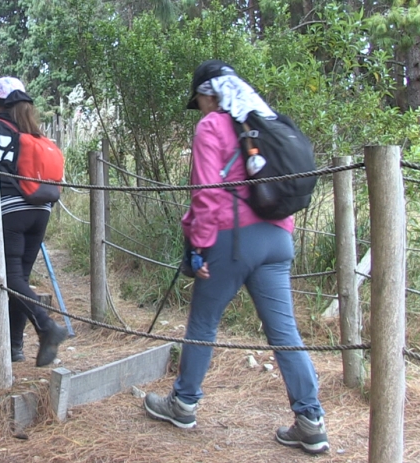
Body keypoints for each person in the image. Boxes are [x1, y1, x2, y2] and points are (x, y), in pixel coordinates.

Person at [143, 60, 330, 455]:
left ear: (209, 93)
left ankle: (183, 403)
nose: (202, 107)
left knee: (203, 321)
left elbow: (207, 194)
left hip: (234, 239)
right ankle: (311, 421)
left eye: (200, 99)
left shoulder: (212, 126)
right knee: (284, 333)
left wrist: (197, 245)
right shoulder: (262, 120)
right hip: (278, 237)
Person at [0, 76, 68, 367]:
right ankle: (15, 347)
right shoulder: (34, 133)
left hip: (11, 210)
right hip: (41, 209)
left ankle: (47, 326)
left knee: (9, 278)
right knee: (19, 280)